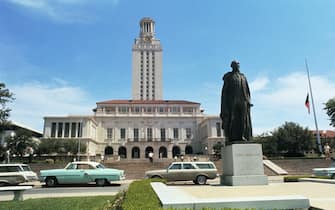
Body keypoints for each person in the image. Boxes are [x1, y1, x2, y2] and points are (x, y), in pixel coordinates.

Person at [220, 60, 252, 143]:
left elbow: (247, 90)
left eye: (238, 64)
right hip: (232, 101)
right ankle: (231, 137)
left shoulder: (243, 77)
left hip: (243, 100)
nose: (237, 65)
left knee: (243, 119)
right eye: (235, 64)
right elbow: (225, 91)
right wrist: (224, 105)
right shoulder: (228, 76)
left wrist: (248, 100)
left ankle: (242, 136)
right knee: (232, 119)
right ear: (232, 66)